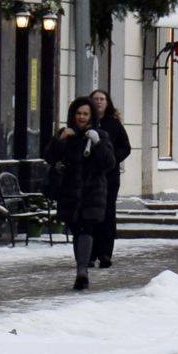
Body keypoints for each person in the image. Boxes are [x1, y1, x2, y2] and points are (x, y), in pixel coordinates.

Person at [49, 99, 115, 290]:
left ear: (91, 116)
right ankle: (82, 266)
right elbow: (50, 157)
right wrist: (59, 141)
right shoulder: (66, 135)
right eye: (79, 113)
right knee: (77, 230)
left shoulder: (99, 135)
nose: (81, 117)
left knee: (87, 228)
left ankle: (82, 271)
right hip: (69, 191)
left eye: (85, 114)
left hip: (92, 191)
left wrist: (97, 143)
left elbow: (109, 163)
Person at [83, 86, 131, 270]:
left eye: (102, 99)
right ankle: (90, 253)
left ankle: (105, 253)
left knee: (107, 213)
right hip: (89, 176)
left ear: (107, 103)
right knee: (90, 213)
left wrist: (111, 159)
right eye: (95, 99)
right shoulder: (86, 122)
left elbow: (125, 147)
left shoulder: (114, 124)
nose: (99, 102)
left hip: (109, 176)